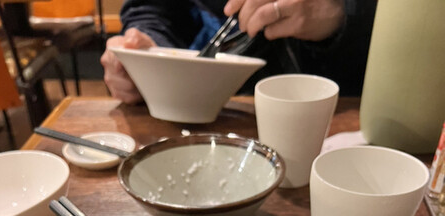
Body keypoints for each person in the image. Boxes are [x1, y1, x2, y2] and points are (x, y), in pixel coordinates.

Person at [101, 0, 377, 105]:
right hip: (200, 109)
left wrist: (344, 10)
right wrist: (146, 50)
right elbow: (153, 10)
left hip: (347, 109)